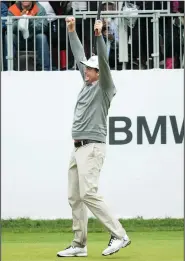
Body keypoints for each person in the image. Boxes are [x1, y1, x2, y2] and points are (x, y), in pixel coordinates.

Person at [56, 16, 131, 258]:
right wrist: (71, 31)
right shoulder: (87, 83)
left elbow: (104, 63)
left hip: (93, 147)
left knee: (88, 193)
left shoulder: (104, 86)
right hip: (78, 148)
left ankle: (119, 235)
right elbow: (79, 52)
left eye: (89, 68)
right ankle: (79, 244)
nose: (84, 70)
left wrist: (99, 36)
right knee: (74, 197)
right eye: (85, 68)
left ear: (98, 72)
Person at [7, 1, 50, 70]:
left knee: (42, 37)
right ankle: (8, 69)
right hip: (19, 41)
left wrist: (30, 22)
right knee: (9, 37)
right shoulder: (13, 9)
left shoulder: (39, 8)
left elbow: (44, 26)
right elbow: (9, 28)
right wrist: (20, 21)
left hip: (33, 40)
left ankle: (45, 69)